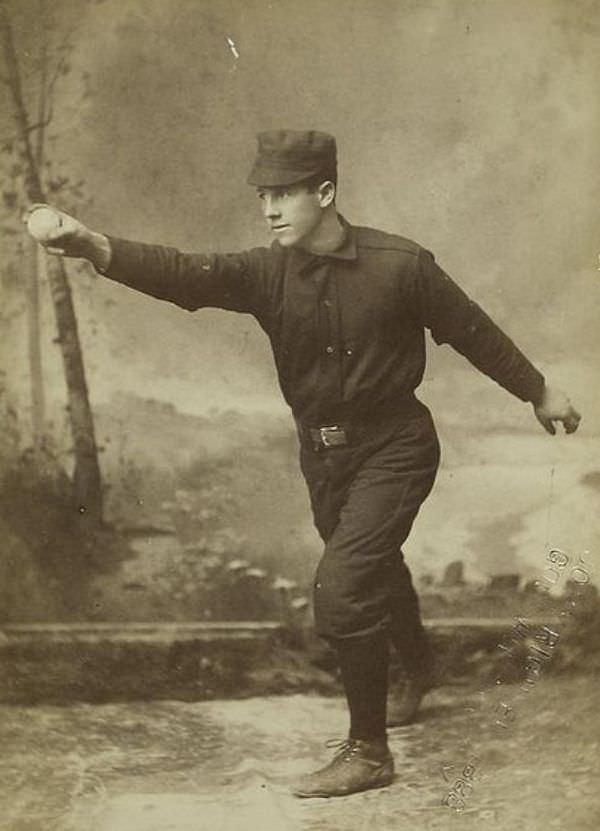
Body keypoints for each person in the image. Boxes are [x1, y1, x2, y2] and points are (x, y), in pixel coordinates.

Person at [27, 129, 581, 799]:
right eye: (263, 195)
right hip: (322, 457)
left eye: (284, 194)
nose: (270, 208)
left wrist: (539, 390)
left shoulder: (400, 265)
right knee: (373, 562)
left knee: (343, 585)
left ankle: (368, 750)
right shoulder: (266, 272)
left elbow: (473, 331)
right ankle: (414, 667)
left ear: (325, 191)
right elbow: (182, 273)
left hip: (397, 446)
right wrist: (93, 245)